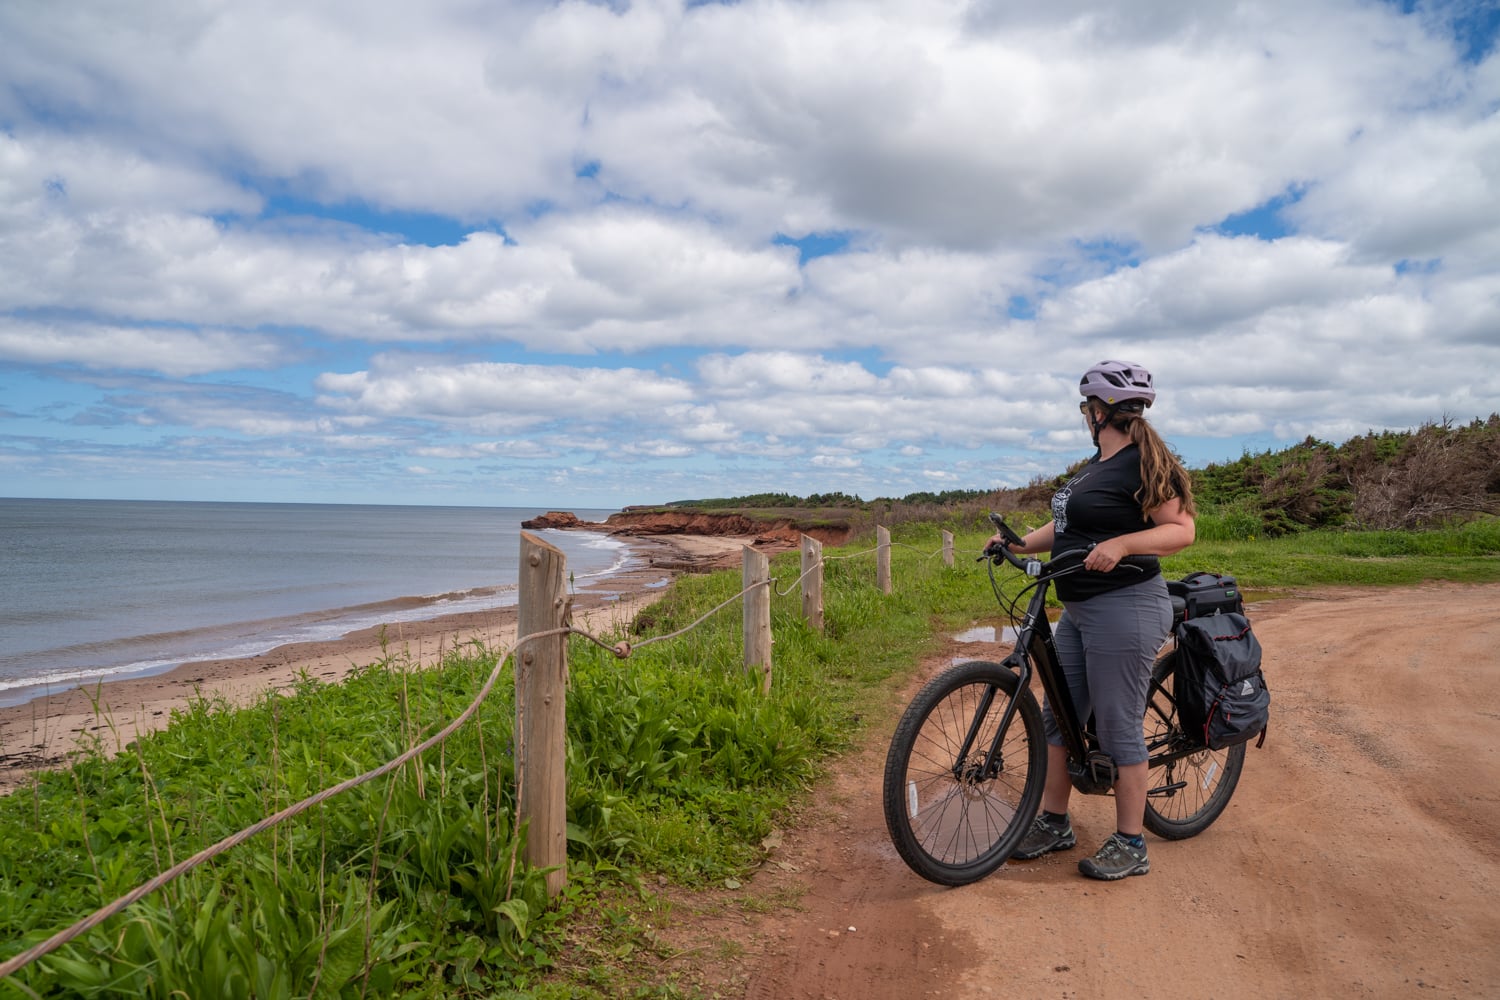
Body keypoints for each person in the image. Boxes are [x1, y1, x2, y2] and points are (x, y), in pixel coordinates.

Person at [991, 360, 1196, 880]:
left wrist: (1124, 543)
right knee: (1059, 714)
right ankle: (1056, 821)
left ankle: (1132, 844)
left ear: (1100, 411)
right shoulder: (1094, 466)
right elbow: (1064, 527)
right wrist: (1016, 543)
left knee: (1116, 722)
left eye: (1088, 407)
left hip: (1125, 605)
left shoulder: (1146, 465)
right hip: (1080, 610)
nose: (1086, 415)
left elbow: (1180, 531)